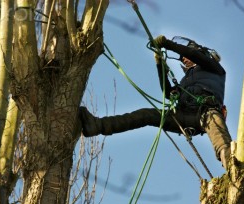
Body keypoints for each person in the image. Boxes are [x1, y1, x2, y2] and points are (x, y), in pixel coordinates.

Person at [79, 35, 232, 170]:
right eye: (182, 59)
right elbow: (167, 93)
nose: (184, 59)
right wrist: (160, 65)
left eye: (185, 56)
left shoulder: (214, 68)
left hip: (206, 112)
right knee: (145, 115)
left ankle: (232, 164)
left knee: (220, 137)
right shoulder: (185, 81)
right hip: (183, 116)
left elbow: (193, 54)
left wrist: (168, 44)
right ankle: (97, 126)